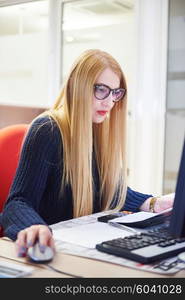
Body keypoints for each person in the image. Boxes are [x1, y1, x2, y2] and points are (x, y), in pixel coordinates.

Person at [0, 49, 174, 257]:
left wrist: (153, 203)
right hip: (54, 251)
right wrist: (34, 227)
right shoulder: (47, 129)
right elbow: (18, 202)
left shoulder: (98, 129)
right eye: (101, 89)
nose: (109, 101)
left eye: (116, 92)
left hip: (82, 247)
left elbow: (106, 189)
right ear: (77, 87)